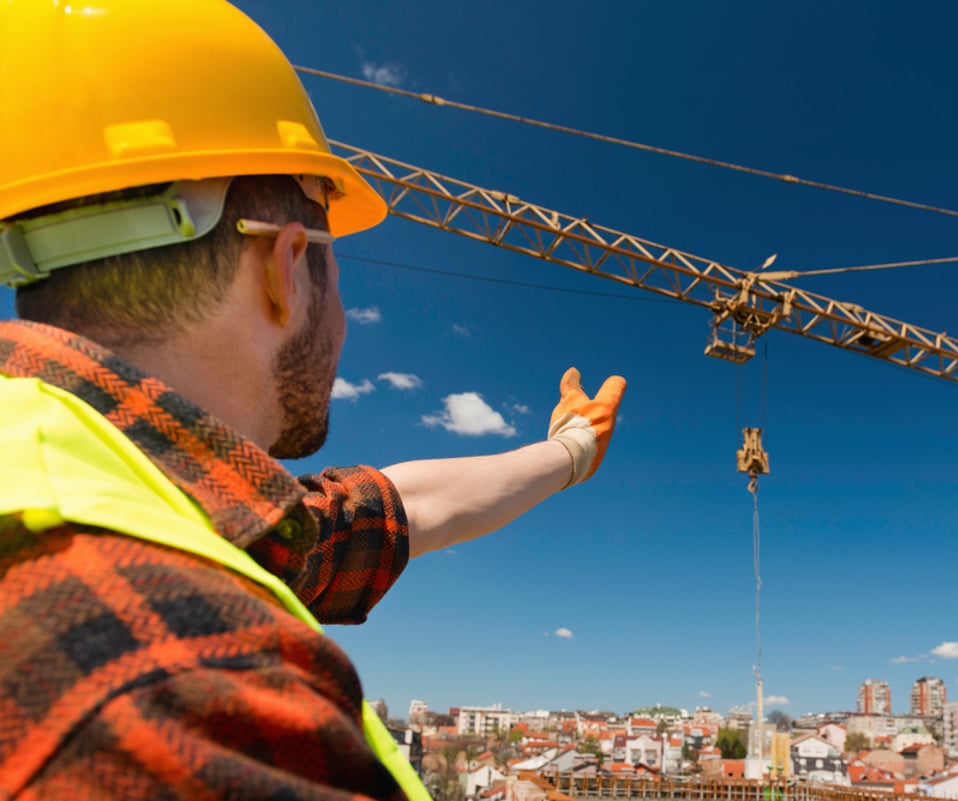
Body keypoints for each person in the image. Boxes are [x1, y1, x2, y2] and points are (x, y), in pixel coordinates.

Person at [0, 1, 625, 799]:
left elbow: (385, 512)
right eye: (339, 273)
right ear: (287, 266)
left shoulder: (91, 467)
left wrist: (566, 453)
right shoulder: (180, 679)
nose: (342, 318)